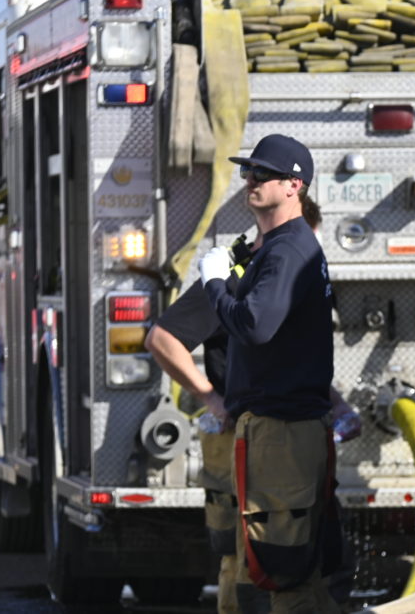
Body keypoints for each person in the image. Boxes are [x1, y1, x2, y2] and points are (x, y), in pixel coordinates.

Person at [146, 199, 358, 613]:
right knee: (251, 563)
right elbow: (162, 339)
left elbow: (294, 359)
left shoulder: (291, 275)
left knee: (299, 560)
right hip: (245, 436)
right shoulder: (237, 276)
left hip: (283, 436)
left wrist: (338, 405)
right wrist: (211, 398)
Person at [199, 133, 340, 614]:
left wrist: (216, 284)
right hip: (285, 430)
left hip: (281, 434)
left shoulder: (287, 251)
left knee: (283, 571)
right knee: (297, 573)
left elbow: (254, 326)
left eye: (263, 173)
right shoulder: (282, 248)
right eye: (247, 171)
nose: (250, 180)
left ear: (294, 185)